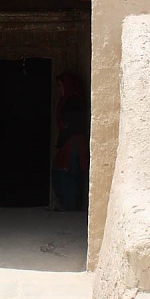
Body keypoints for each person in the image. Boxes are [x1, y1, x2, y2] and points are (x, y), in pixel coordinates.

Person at [52, 72, 89, 211]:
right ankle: (68, 206)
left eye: (60, 86)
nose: (59, 89)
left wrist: (64, 140)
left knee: (69, 174)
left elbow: (72, 125)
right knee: (64, 173)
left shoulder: (73, 101)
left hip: (74, 142)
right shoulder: (67, 100)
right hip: (70, 142)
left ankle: (70, 208)